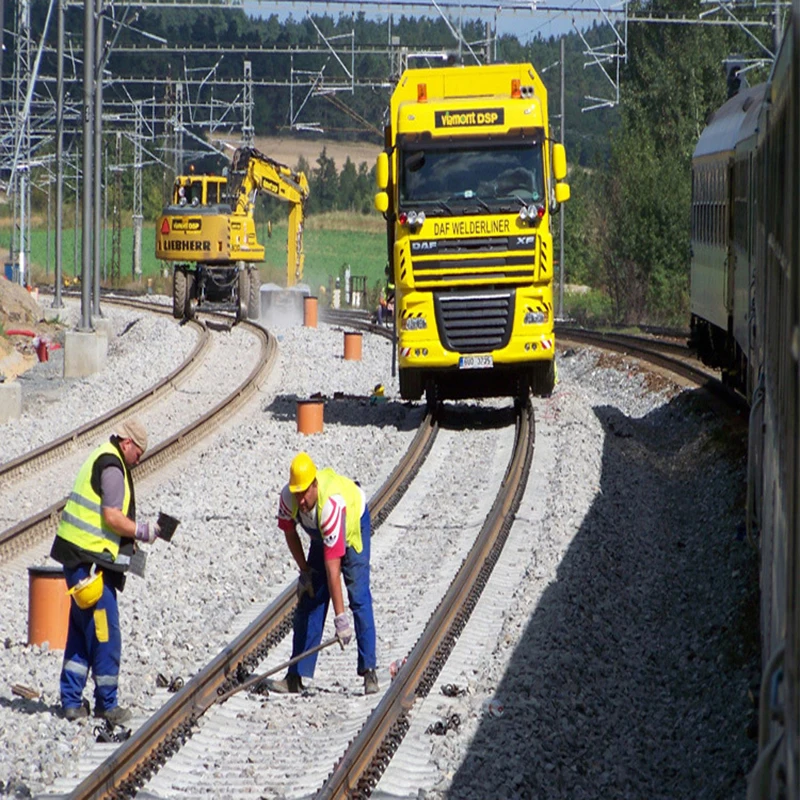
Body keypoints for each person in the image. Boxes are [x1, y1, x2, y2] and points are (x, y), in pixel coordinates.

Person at [50, 418, 160, 723]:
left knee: (80, 629)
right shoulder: (113, 467)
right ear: (128, 444)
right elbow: (111, 516)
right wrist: (141, 531)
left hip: (80, 557)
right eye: (139, 453)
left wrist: (127, 545)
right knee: (105, 632)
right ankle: (106, 704)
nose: (139, 460)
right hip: (88, 563)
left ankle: (71, 701)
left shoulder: (105, 456)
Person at [268, 452, 378, 695]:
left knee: (358, 596)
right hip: (323, 533)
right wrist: (305, 572)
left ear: (314, 485)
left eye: (305, 492)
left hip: (352, 524)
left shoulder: (330, 505)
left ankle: (369, 670)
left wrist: (340, 620)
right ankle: (295, 675)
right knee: (310, 598)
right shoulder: (289, 499)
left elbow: (333, 570)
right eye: (297, 493)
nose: (301, 499)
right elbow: (290, 533)